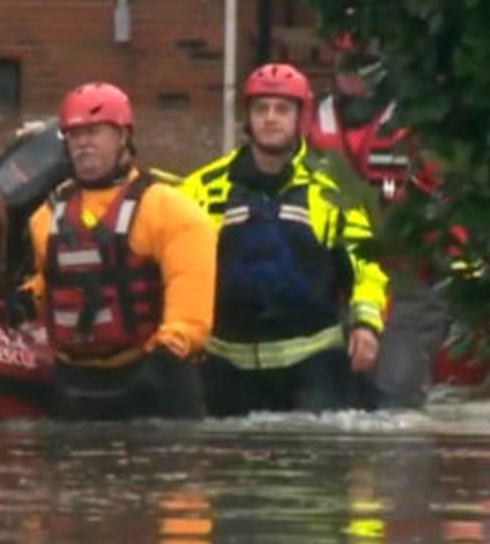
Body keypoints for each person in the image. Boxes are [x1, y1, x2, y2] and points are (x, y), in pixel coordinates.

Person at [179, 63, 389, 415]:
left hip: (315, 366)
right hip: (227, 366)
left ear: (301, 116)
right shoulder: (201, 188)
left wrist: (366, 325)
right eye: (261, 109)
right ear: (248, 117)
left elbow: (366, 266)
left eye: (282, 109)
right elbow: (179, 270)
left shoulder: (336, 187)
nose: (270, 118)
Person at [13, 82, 217, 420]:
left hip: (152, 376)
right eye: (74, 135)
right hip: (75, 381)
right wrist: (28, 298)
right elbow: (60, 281)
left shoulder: (171, 209)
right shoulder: (45, 216)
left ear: (123, 137)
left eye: (94, 132)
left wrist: (166, 356)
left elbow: (191, 306)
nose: (83, 144)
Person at [304, 34, 451, 409]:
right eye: (343, 62)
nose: (350, 75)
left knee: (396, 394)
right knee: (334, 400)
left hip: (408, 276)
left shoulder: (416, 121)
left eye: (358, 63)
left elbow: (449, 197)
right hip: (340, 277)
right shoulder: (311, 120)